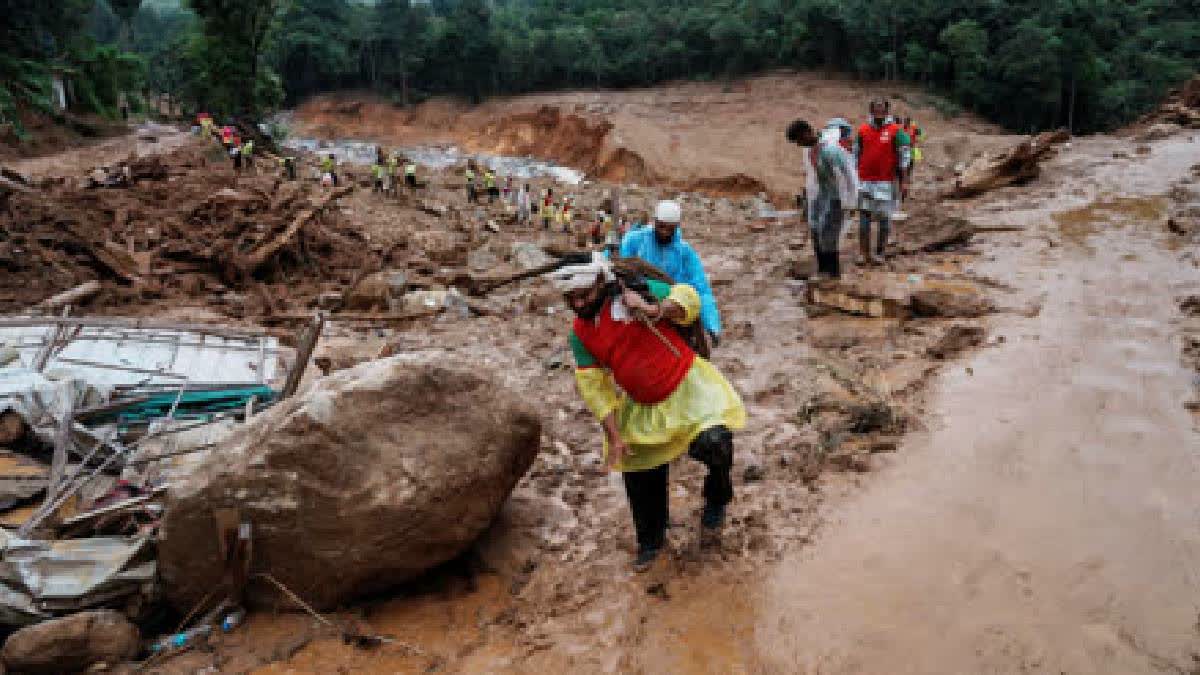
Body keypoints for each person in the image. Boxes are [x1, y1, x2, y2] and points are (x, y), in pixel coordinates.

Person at [549, 253, 746, 570]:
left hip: (688, 387)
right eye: (571, 298)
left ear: (601, 283)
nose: (579, 303)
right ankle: (651, 541)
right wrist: (614, 436)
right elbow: (594, 387)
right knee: (638, 475)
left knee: (715, 444)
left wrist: (654, 308)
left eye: (584, 295)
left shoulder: (637, 291)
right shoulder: (581, 334)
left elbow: (688, 298)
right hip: (641, 404)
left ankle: (717, 496)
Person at [619, 200, 723, 347]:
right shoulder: (634, 241)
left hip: (671, 307)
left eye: (670, 228)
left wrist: (712, 327)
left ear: (677, 227)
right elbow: (622, 268)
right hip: (638, 301)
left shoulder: (685, 252)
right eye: (661, 226)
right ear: (654, 222)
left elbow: (702, 290)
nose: (664, 232)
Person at [787, 117, 858, 279]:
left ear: (807, 133)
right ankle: (822, 269)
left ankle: (832, 273)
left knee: (829, 235)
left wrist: (850, 203)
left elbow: (846, 178)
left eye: (798, 140)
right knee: (816, 231)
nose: (799, 145)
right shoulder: (812, 150)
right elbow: (813, 177)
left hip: (836, 198)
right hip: (821, 196)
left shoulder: (830, 151)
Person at [854, 99, 911, 264]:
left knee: (884, 219)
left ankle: (880, 252)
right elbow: (856, 154)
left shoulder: (896, 131)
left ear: (887, 111)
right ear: (871, 111)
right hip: (864, 181)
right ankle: (863, 253)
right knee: (864, 218)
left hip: (886, 182)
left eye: (882, 108)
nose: (879, 111)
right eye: (875, 108)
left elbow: (904, 158)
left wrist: (904, 181)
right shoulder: (863, 130)